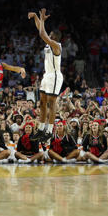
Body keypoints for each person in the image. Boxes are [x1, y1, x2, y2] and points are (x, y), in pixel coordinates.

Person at [28, 9, 64, 142]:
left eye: (51, 34)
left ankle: (49, 130)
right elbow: (41, 29)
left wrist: (42, 20)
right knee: (42, 102)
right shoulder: (50, 44)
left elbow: (42, 33)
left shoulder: (56, 46)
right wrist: (36, 18)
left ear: (54, 37)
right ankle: (41, 128)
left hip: (55, 76)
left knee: (51, 103)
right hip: (47, 76)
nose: (49, 35)